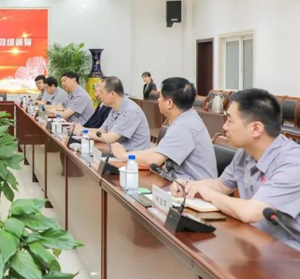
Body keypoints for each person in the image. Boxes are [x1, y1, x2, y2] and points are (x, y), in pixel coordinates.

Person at [172, 89, 300, 251]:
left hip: (289, 253)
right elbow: (221, 185)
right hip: (254, 241)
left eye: (230, 121)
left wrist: (208, 193)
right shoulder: (245, 153)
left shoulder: (293, 163)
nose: (224, 126)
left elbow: (250, 212)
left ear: (256, 129)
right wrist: (189, 186)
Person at [110, 78, 217, 180]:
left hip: (194, 188)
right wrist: (129, 153)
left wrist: (123, 155)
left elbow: (154, 160)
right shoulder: (188, 117)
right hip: (181, 183)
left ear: (169, 103)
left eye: (160, 97)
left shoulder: (184, 126)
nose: (158, 100)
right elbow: (159, 150)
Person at [89, 76, 150, 151]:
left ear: (112, 94)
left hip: (133, 156)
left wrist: (84, 133)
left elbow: (109, 138)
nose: (99, 95)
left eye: (101, 92)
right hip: (118, 152)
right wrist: (81, 130)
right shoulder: (114, 109)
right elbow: (102, 131)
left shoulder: (131, 111)